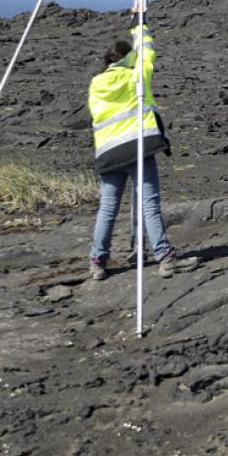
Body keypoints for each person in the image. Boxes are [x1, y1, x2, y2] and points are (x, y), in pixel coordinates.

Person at [86, 20, 199, 281]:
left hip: (108, 153)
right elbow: (147, 52)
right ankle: (165, 258)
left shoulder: (96, 85)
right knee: (149, 204)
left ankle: (97, 262)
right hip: (137, 148)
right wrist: (139, 26)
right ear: (130, 59)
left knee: (108, 208)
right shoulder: (137, 76)